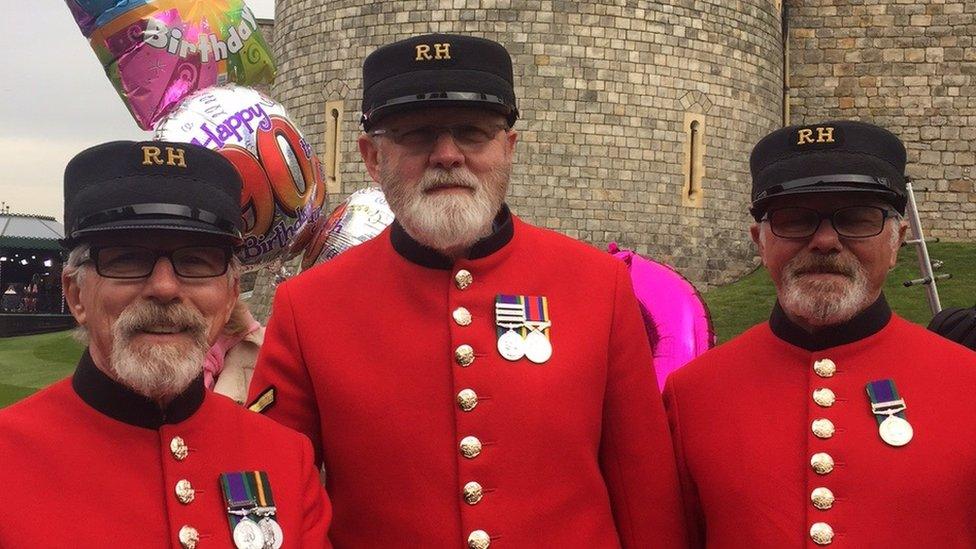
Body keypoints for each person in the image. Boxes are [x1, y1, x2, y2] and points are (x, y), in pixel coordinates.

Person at [247, 34, 687, 548]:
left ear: (509, 148)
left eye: (474, 133)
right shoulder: (309, 306)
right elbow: (276, 498)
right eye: (417, 136)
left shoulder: (598, 286)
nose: (448, 155)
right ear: (372, 156)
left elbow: (646, 499)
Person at [0, 140, 332, 548]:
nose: (164, 287)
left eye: (196, 260)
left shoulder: (287, 459)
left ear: (230, 295)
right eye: (127, 259)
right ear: (76, 295)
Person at [663, 120, 976, 547]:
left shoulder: (967, 381)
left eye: (857, 218)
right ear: (760, 241)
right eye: (794, 219)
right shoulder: (691, 394)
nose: (825, 241)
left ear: (897, 241)